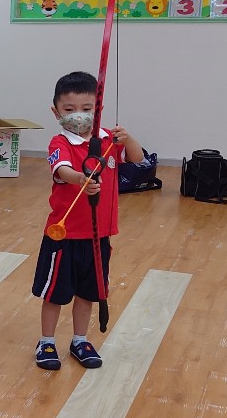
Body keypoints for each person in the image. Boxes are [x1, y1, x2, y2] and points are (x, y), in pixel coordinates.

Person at [32, 71, 144, 370]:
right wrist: (81, 178)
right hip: (64, 235)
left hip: (98, 235)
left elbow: (136, 158)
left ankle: (80, 340)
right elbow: (62, 170)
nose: (78, 115)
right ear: (56, 112)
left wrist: (128, 138)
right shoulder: (60, 142)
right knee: (55, 294)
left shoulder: (107, 139)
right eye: (69, 109)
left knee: (88, 293)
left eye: (86, 108)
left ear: (98, 109)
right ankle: (46, 341)